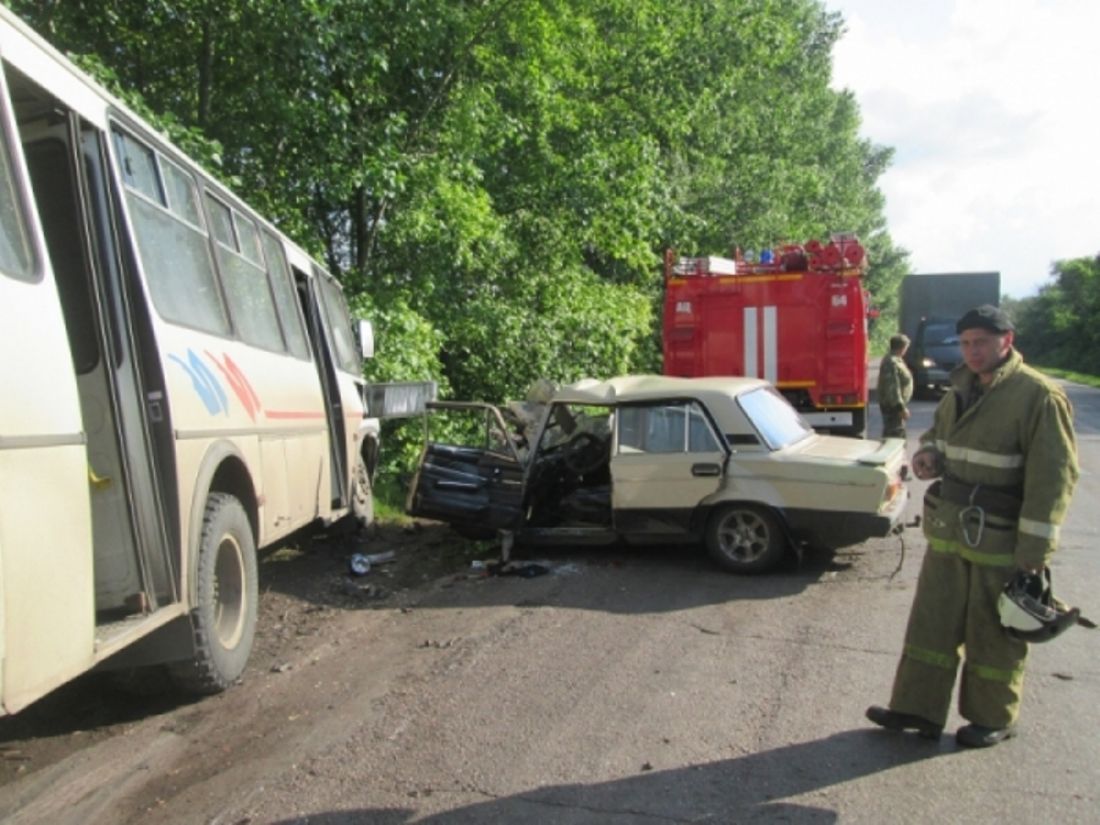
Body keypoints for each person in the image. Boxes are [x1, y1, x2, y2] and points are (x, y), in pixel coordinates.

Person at [866, 304, 1079, 748]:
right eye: (966, 343)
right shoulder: (961, 386)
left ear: (1008, 341)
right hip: (949, 533)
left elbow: (1053, 479)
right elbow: (940, 437)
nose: (972, 351)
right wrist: (928, 455)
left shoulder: (1038, 396)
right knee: (932, 625)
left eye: (981, 342)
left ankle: (993, 718)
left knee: (992, 635)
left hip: (1001, 540)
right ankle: (916, 710)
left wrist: (1034, 552)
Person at [877, 334, 913, 438]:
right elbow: (893, 387)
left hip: (894, 406)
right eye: (906, 347)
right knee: (895, 435)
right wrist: (900, 408)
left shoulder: (897, 360)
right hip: (892, 407)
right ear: (902, 347)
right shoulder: (891, 362)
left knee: (896, 433)